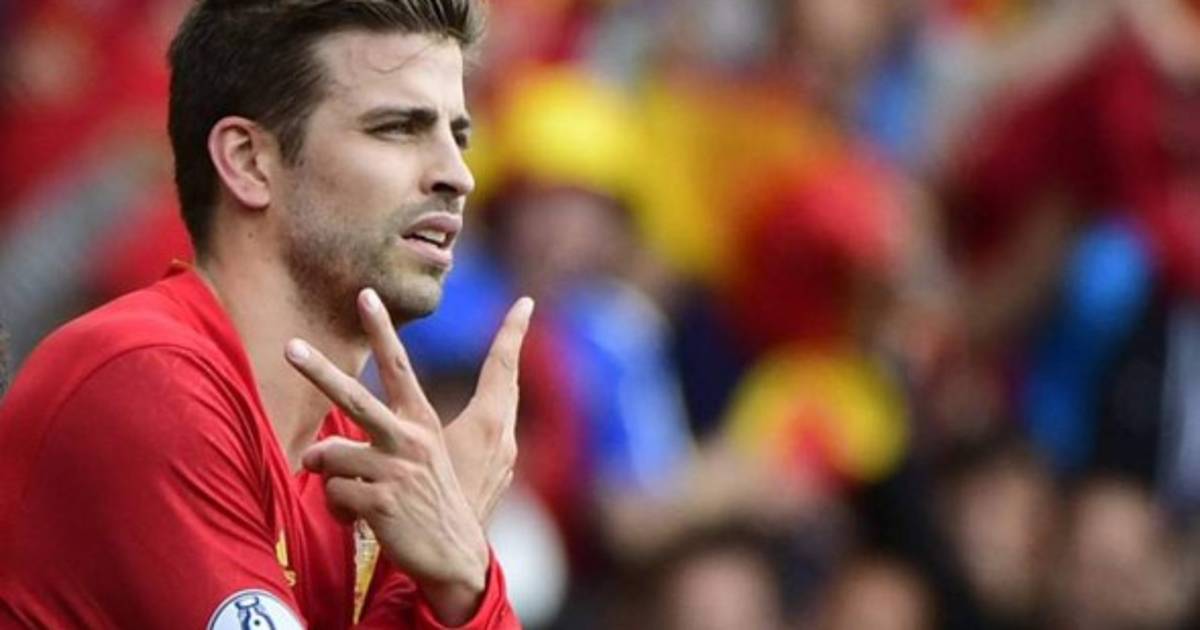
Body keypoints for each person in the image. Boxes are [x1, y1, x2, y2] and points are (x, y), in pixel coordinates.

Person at [0, 1, 530, 628]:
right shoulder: (142, 379)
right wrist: (440, 570)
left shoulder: (360, 462)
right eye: (396, 128)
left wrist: (458, 578)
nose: (457, 175)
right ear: (250, 162)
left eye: (458, 137)